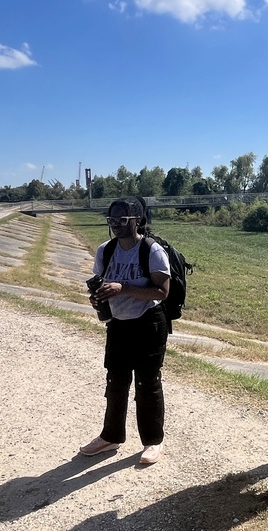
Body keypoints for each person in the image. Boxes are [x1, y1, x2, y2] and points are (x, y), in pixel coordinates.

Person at [78, 197, 171, 465]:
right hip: (118, 324)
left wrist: (123, 288)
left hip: (149, 323)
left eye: (122, 220)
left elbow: (162, 292)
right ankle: (111, 437)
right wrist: (97, 298)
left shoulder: (151, 251)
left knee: (147, 382)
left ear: (137, 220)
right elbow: (101, 285)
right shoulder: (105, 251)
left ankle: (153, 441)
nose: (116, 225)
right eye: (112, 220)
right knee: (116, 381)